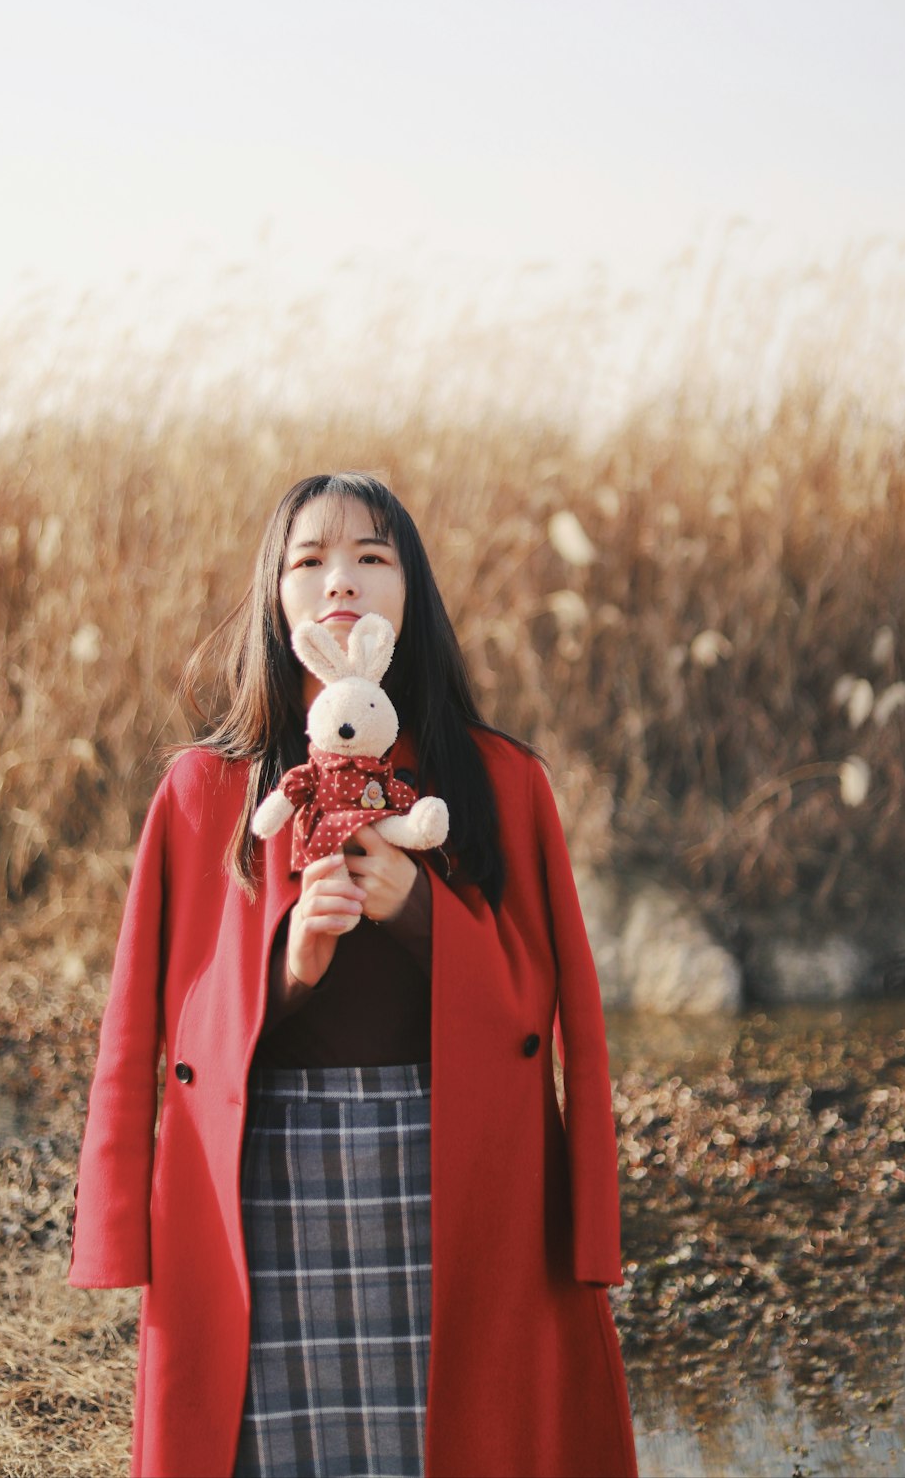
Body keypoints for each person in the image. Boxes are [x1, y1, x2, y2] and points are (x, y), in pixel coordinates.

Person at [69, 471, 638, 1478]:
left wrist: (423, 915)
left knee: (461, 1445)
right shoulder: (207, 793)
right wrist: (293, 964)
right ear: (275, 596)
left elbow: (559, 1017)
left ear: (409, 596)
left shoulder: (499, 780)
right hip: (262, 1176)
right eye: (311, 560)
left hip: (459, 1172)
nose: (342, 580)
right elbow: (142, 1026)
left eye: (374, 557)